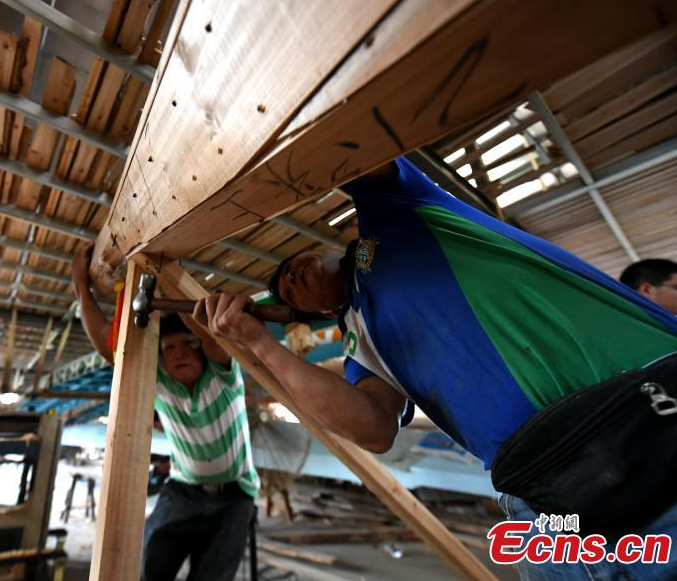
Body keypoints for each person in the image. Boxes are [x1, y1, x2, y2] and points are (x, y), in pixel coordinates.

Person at [194, 158, 677, 580]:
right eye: (288, 292)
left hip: (649, 409)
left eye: (294, 265)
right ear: (314, 315)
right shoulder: (360, 344)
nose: (290, 278)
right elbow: (373, 428)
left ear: (326, 248)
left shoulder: (389, 222)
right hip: (548, 494)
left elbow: (352, 155)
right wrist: (259, 343)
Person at [71, 243, 259, 581]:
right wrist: (81, 287)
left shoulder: (224, 377)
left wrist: (159, 269)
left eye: (189, 344)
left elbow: (212, 335)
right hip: (182, 490)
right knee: (147, 568)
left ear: (201, 348)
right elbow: (106, 344)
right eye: (170, 348)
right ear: (161, 358)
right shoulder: (157, 382)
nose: (180, 353)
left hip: (235, 497)